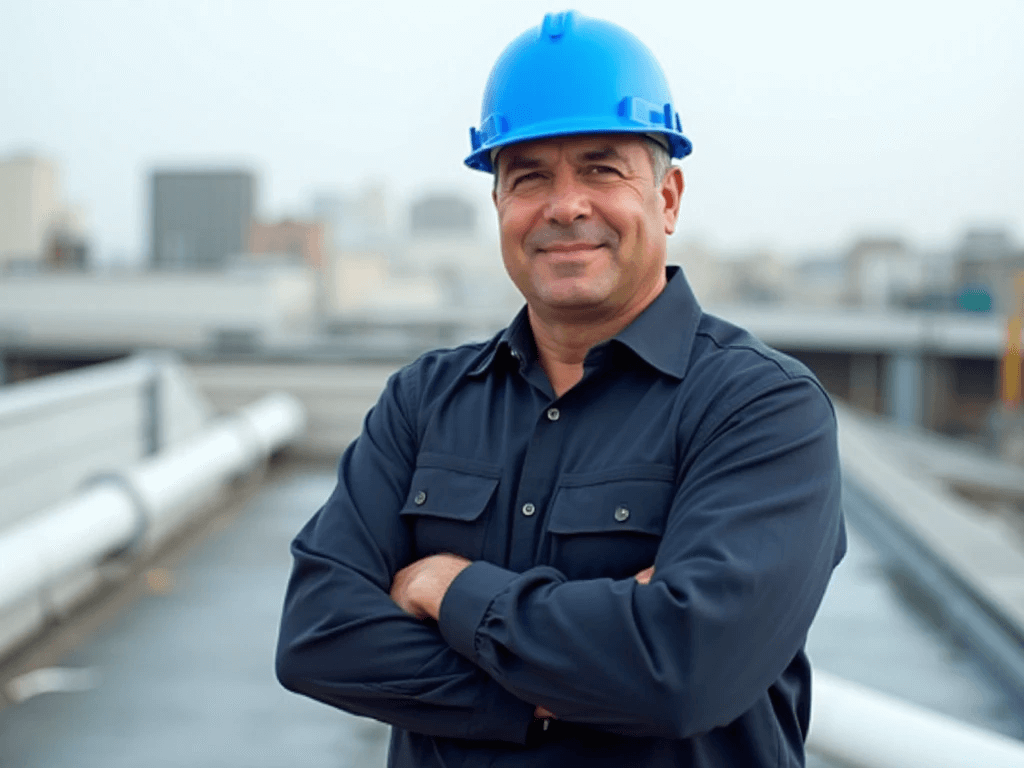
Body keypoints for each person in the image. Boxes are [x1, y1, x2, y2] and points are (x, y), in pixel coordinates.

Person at [277, 11, 845, 768]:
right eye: (530, 176)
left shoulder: (762, 409)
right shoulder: (424, 401)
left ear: (668, 199)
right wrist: (577, 680)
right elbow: (318, 634)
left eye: (602, 168)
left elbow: (684, 671)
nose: (564, 205)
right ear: (500, 207)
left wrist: (449, 590)